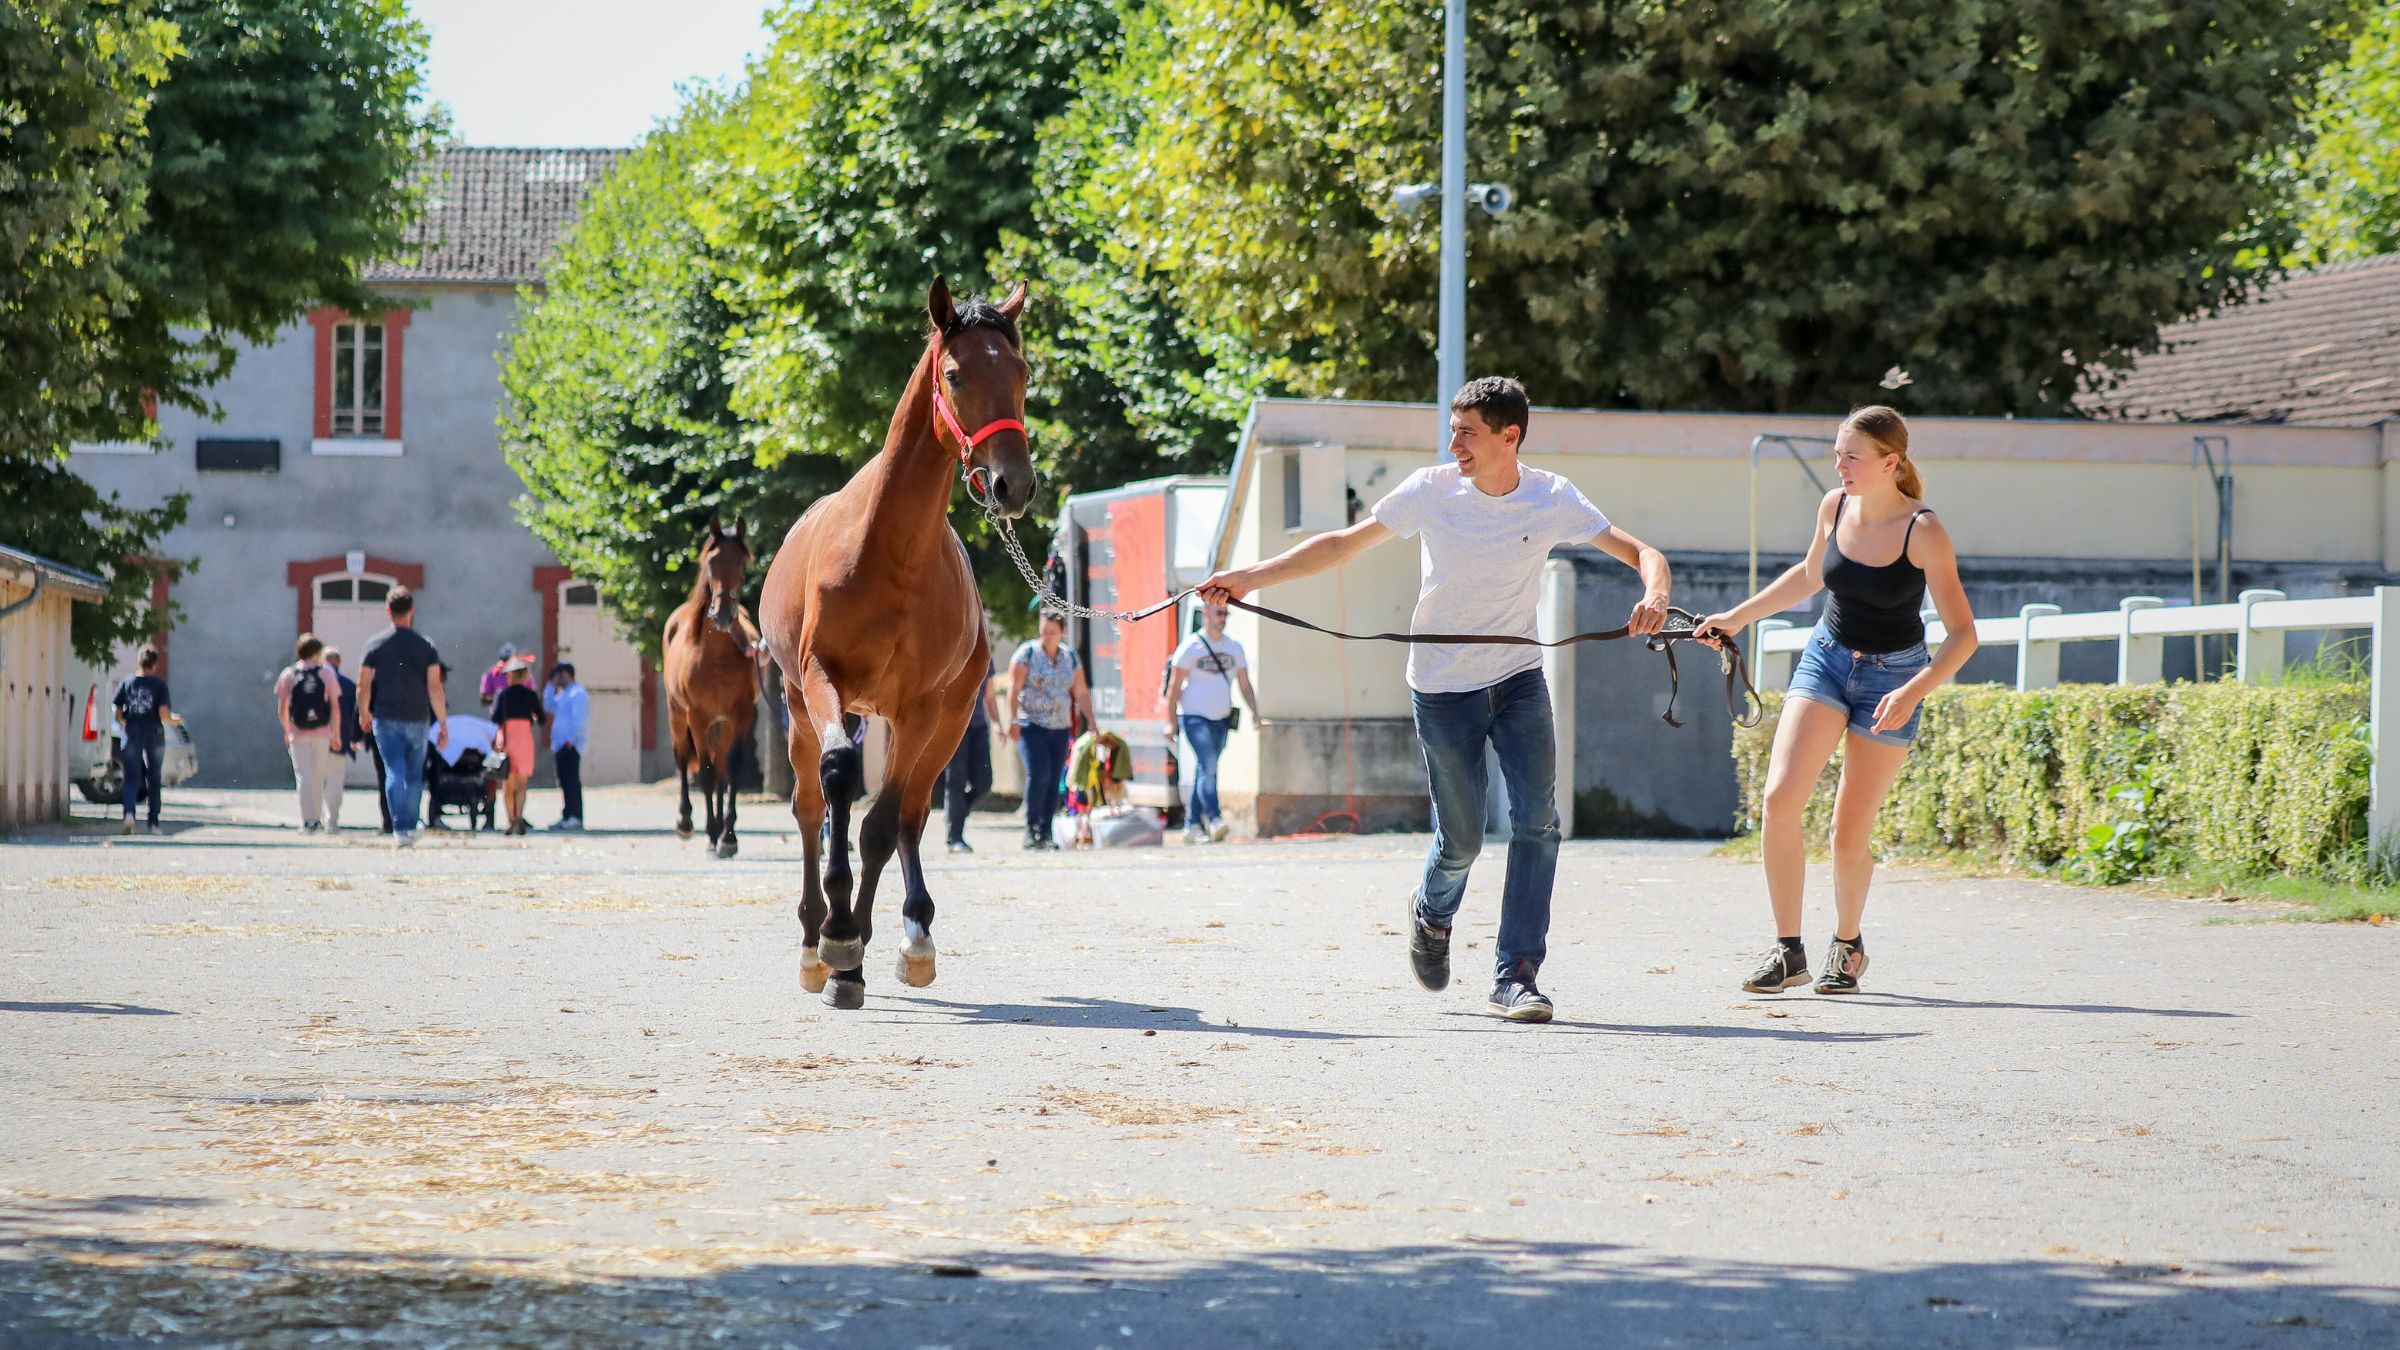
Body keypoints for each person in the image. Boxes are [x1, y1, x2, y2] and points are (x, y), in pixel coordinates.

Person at [1200, 376, 1671, 1024]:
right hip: (1443, 688)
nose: (1454, 443)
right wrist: (1248, 578)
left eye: (1467, 432)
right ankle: (1433, 912)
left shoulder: (1550, 497)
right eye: (1452, 430)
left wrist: (1655, 596)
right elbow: (1342, 544)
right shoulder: (1432, 492)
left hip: (1518, 679)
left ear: (1511, 437)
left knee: (1539, 822)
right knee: (1463, 840)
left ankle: (1517, 975)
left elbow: (1644, 552)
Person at [1696, 406, 1977, 996]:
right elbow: (1808, 576)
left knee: (1848, 833)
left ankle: (1847, 945)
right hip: (1826, 659)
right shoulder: (1835, 505)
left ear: (1890, 462)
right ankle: (1788, 950)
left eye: (1852, 456)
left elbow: (1962, 635)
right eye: (1837, 454)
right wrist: (1736, 618)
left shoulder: (1923, 531)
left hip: (1892, 679)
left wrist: (1914, 689)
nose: (1840, 465)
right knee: (1778, 801)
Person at [1163, 599, 1261, 844]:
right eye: (1219, 613)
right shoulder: (1190, 647)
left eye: (1225, 614)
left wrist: (1255, 711)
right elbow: (1173, 688)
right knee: (1208, 765)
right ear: (1205, 614)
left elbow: (1245, 684)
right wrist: (1171, 722)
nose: (1223, 618)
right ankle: (1215, 819)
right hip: (1194, 717)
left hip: (1221, 719)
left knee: (1205, 770)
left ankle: (1191, 825)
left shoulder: (1234, 647)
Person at [357, 587, 448, 847]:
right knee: (414, 774)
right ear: (411, 611)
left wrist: (364, 711)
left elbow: (363, 684)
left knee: (393, 770)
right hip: (418, 717)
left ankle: (399, 827)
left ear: (388, 611)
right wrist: (442, 722)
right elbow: (435, 686)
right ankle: (410, 823)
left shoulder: (374, 644)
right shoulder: (426, 645)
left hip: (385, 717)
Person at [1006, 611, 1095, 851]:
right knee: (1039, 774)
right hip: (1031, 724)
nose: (1047, 637)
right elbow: (1013, 689)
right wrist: (1012, 720)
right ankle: (1031, 829)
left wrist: (1092, 722)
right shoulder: (1027, 654)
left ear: (1062, 633)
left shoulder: (1070, 657)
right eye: (1044, 632)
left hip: (1059, 726)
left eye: (1052, 632)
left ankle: (1045, 831)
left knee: (1054, 779)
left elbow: (1081, 691)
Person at [274, 633, 345, 834]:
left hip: (298, 733)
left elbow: (282, 708)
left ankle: (307, 821)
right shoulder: (326, 674)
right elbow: (335, 706)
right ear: (316, 652)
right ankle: (318, 817)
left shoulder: (289, 674)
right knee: (318, 775)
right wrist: (336, 733)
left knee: (302, 776)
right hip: (322, 732)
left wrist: (287, 731)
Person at [111, 645, 176, 836]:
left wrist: (125, 725)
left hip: (132, 732)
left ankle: (129, 814)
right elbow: (164, 713)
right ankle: (153, 823)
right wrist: (174, 720)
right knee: (154, 778)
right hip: (154, 733)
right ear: (154, 664)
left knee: (132, 777)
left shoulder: (127, 682)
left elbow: (118, 712)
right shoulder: (159, 685)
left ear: (139, 661)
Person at [939, 655, 1001, 853]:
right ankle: (954, 836)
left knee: (984, 783)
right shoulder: (951, 652)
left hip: (978, 725)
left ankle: (954, 814)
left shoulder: (984, 654)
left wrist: (997, 723)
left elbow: (989, 694)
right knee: (955, 781)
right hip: (954, 726)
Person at [490, 657, 544, 835]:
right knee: (522, 784)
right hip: (524, 740)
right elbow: (541, 718)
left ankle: (510, 820)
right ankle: (519, 817)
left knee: (507, 785)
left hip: (507, 740)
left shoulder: (503, 696)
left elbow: (495, 718)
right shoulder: (530, 695)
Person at [543, 661, 589, 831]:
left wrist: (571, 739)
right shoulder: (564, 694)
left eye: (559, 675)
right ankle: (567, 814)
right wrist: (550, 685)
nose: (558, 679)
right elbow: (548, 705)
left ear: (566, 674)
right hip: (560, 744)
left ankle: (575, 815)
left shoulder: (578, 693)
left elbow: (579, 719)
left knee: (572, 781)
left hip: (571, 745)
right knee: (564, 781)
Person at [479, 642, 516, 711]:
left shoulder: (523, 674)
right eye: (505, 660)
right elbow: (486, 700)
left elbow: (531, 695)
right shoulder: (491, 674)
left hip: (520, 715)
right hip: (500, 715)